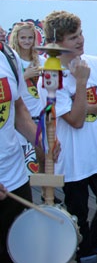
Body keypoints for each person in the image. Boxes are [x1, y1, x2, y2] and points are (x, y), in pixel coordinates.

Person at [41, 10, 97, 263]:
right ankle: (85, 252)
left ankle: (88, 248)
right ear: (57, 43)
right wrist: (80, 82)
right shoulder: (50, 74)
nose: (80, 40)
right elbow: (75, 122)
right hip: (71, 158)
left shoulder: (95, 63)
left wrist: (89, 105)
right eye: (73, 37)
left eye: (81, 34)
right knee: (78, 212)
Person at [0, 40, 47, 263]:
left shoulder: (8, 56)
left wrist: (42, 143)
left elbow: (19, 111)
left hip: (15, 177)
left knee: (19, 250)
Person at [8, 22, 46, 175]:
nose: (27, 41)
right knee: (21, 159)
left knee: (43, 156)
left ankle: (45, 193)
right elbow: (10, 87)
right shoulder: (11, 61)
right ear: (16, 38)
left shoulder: (42, 61)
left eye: (30, 38)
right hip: (20, 119)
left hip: (41, 116)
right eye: (23, 37)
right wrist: (25, 76)